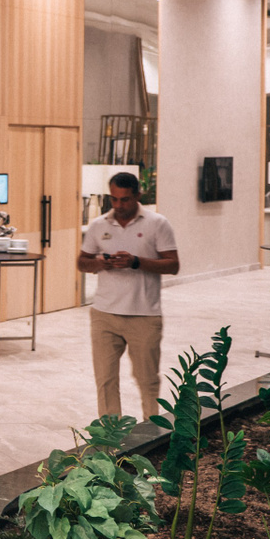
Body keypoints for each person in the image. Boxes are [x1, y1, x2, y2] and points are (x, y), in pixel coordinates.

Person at [77, 171, 179, 420]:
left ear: (137, 196)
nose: (119, 205)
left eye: (125, 199)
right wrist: (100, 262)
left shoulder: (158, 223)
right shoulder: (99, 225)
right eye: (114, 199)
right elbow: (82, 262)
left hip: (144, 316)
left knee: (147, 380)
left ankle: (152, 432)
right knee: (105, 380)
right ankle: (110, 437)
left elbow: (172, 265)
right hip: (104, 315)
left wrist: (136, 262)